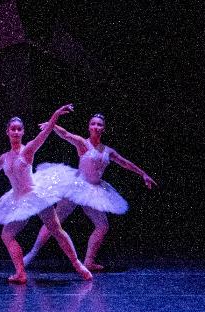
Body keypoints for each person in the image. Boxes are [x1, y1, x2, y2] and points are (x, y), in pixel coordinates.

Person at [0, 104, 93, 283]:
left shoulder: (28, 150)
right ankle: (20, 273)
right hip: (19, 200)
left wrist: (55, 114)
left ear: (23, 132)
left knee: (55, 229)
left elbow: (44, 134)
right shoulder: (5, 157)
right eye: (13, 129)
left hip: (35, 195)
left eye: (19, 129)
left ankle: (78, 264)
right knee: (7, 235)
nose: (16, 132)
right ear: (7, 132)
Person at [22, 114, 156, 270]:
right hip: (77, 187)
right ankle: (32, 254)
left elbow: (125, 163)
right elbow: (66, 135)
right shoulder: (83, 144)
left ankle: (89, 261)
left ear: (103, 129)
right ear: (89, 127)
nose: (96, 127)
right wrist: (53, 125)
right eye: (93, 124)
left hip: (93, 191)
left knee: (102, 226)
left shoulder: (108, 151)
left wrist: (143, 174)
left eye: (99, 124)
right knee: (55, 221)